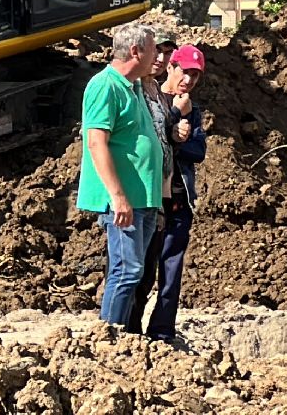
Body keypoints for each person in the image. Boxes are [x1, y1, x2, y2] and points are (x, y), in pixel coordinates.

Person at [77, 22, 164, 327]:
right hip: (123, 200)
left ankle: (125, 336)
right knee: (126, 271)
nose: (159, 57)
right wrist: (117, 197)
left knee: (136, 273)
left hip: (144, 198)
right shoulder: (106, 86)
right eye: (153, 50)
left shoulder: (135, 86)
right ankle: (108, 338)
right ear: (136, 51)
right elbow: (96, 142)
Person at [132, 43, 208, 343]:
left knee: (172, 271)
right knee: (143, 268)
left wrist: (181, 137)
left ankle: (162, 330)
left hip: (179, 200)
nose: (188, 80)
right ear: (171, 67)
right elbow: (151, 141)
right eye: (184, 72)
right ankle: (131, 328)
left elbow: (197, 149)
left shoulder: (193, 109)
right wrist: (174, 123)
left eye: (195, 75)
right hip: (151, 198)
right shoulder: (151, 99)